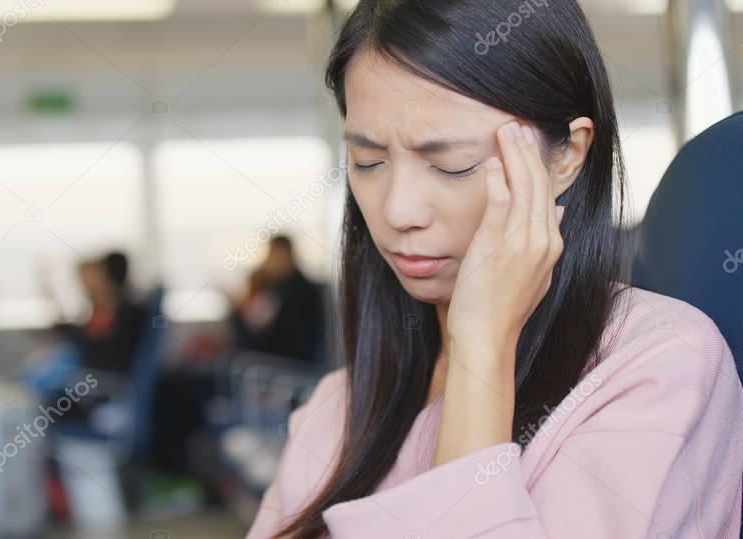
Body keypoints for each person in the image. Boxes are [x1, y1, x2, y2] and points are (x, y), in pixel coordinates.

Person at [248, 2, 743, 538]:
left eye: (451, 165)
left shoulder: (661, 363)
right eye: (368, 162)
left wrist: (481, 343)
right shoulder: (338, 407)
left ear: (566, 157)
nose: (398, 212)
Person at [231, 236, 324, 363]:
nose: (271, 261)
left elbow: (275, 329)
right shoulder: (274, 285)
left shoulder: (299, 290)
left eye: (274, 255)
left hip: (287, 358)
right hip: (275, 352)